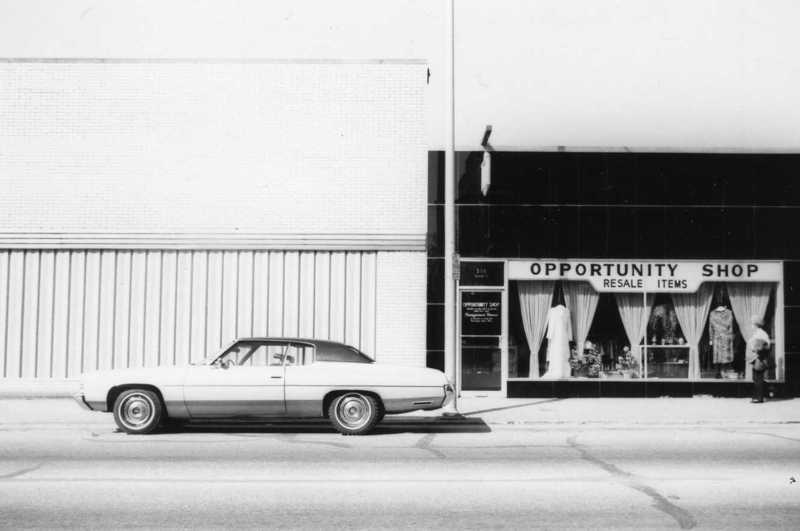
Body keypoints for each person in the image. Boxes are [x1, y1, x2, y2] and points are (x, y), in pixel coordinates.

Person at [747, 315, 771, 403]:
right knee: (757, 377)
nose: (751, 325)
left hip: (759, 358)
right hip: (758, 357)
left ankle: (759, 397)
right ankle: (758, 396)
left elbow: (760, 347)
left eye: (752, 323)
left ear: (756, 324)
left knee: (758, 378)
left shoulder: (760, 334)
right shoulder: (759, 333)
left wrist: (754, 349)